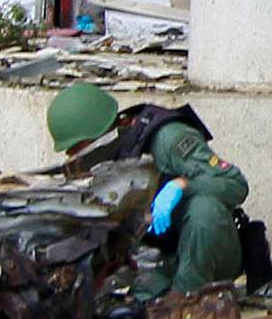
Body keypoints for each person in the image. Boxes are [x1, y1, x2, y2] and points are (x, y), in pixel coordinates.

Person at [46, 82, 254, 297]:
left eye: (81, 149)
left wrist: (181, 186)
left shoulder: (168, 138)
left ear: (102, 131)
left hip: (206, 250)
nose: (80, 158)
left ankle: (188, 301)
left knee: (204, 209)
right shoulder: (109, 157)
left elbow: (235, 184)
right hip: (156, 257)